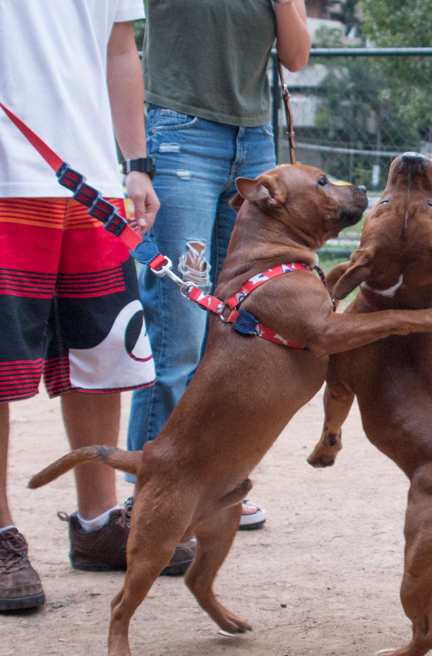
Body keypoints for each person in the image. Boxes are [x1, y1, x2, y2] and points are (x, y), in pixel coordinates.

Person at [0, 0, 195, 612]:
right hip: (6, 177)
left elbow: (118, 49)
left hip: (89, 181)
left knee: (102, 355)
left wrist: (136, 164)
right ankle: (2, 536)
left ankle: (97, 522)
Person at [126, 0, 311, 530]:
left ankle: (213, 486)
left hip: (254, 142)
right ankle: (152, 494)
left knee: (235, 329)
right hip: (181, 134)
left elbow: (295, 56)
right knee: (177, 326)